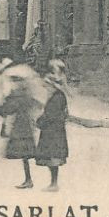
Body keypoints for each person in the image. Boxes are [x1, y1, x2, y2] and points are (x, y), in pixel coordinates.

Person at [0, 72, 41, 189]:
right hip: (25, 127)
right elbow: (35, 104)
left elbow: (9, 108)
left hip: (21, 128)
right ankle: (28, 179)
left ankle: (28, 180)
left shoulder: (19, 96)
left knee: (24, 155)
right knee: (25, 156)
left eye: (15, 82)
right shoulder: (25, 95)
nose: (13, 84)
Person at [34, 61, 70, 191]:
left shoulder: (56, 96)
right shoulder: (57, 94)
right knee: (52, 157)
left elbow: (52, 113)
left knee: (53, 156)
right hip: (54, 129)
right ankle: (53, 183)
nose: (46, 88)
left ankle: (54, 184)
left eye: (48, 86)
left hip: (53, 130)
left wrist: (40, 121)